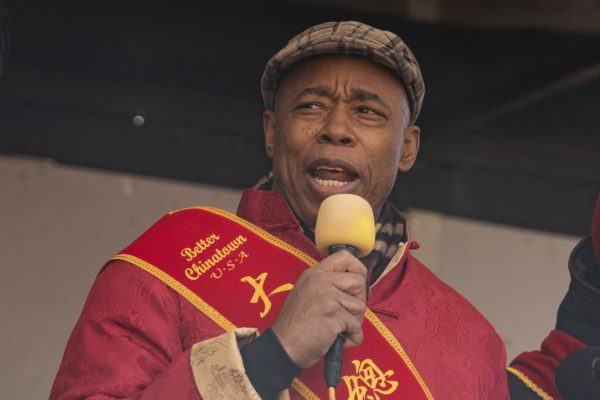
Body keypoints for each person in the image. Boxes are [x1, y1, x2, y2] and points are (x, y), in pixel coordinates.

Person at [49, 21, 591, 399]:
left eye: (367, 111)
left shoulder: (468, 339)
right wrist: (268, 360)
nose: (335, 127)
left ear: (408, 148)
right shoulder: (171, 262)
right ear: (270, 131)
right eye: (310, 105)